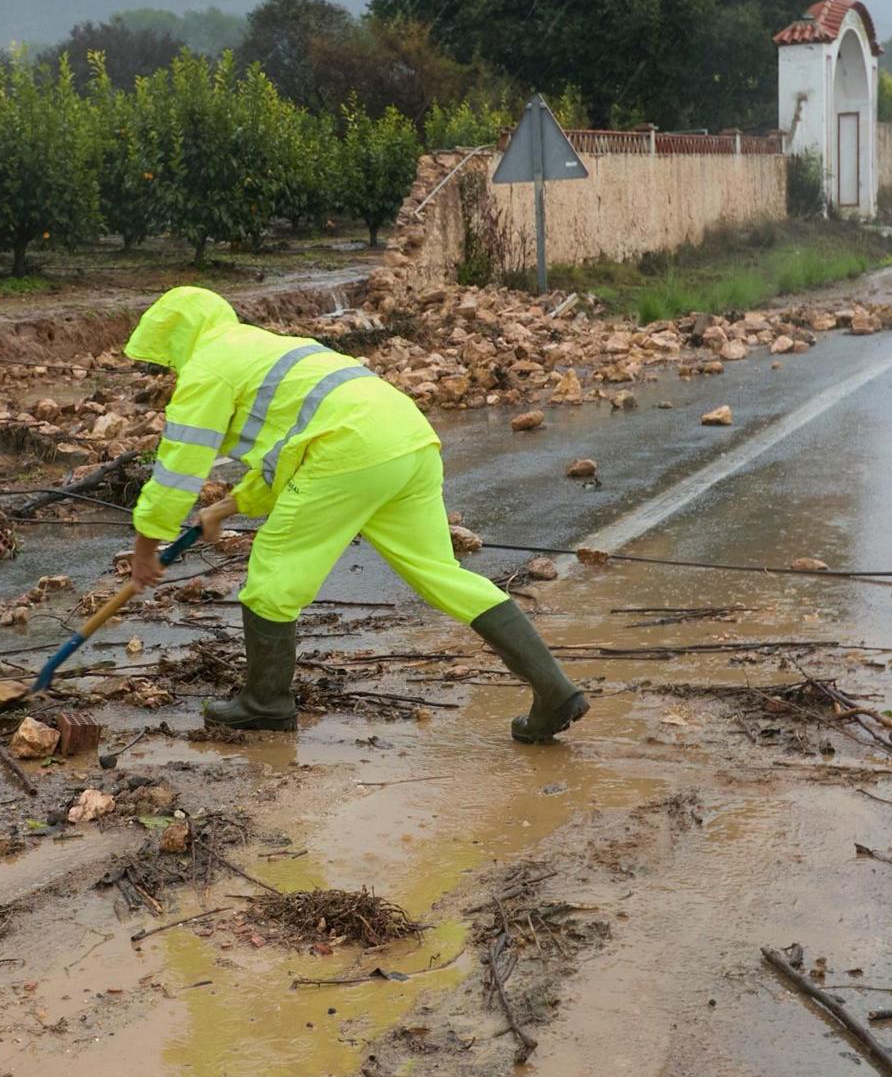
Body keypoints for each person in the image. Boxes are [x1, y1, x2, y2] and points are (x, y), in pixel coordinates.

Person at [121, 287, 587, 742]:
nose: (166, 369)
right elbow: (285, 454)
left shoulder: (206, 370)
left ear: (176, 341)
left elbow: (177, 469)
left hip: (349, 450)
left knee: (274, 571)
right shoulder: (266, 348)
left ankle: (264, 704)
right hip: (408, 440)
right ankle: (554, 690)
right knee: (441, 573)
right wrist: (223, 508)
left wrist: (146, 546)